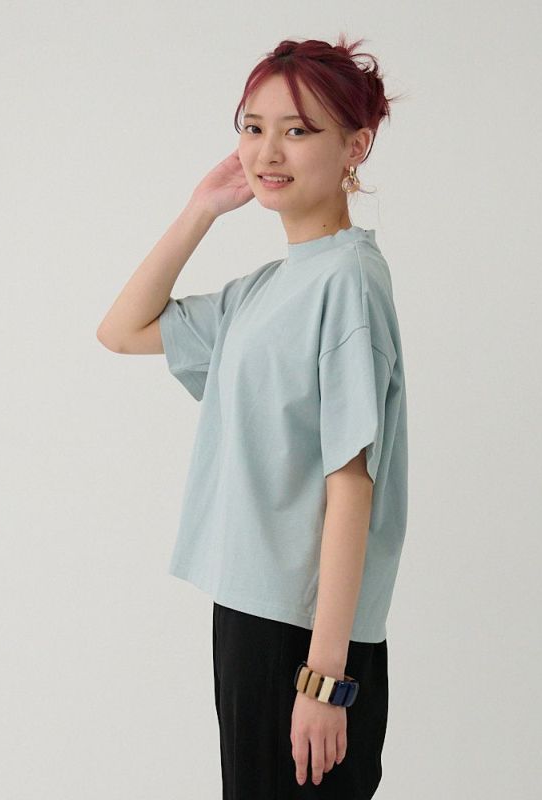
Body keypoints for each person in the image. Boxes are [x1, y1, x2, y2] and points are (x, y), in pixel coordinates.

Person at [97, 35, 408, 799]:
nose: (268, 150)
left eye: (298, 130)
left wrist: (325, 680)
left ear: (355, 147)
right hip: (252, 614)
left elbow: (352, 484)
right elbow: (122, 330)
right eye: (252, 126)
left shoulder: (347, 280)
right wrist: (201, 208)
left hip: (304, 636)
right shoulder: (264, 290)